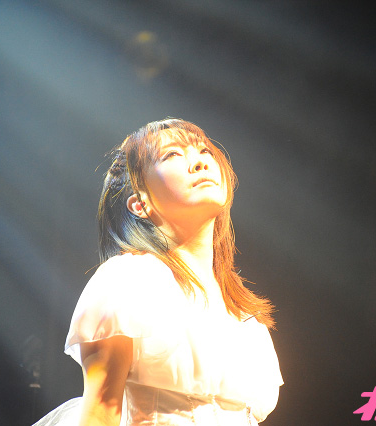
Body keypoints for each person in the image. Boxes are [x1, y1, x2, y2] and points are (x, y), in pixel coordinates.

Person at [34, 119, 282, 426]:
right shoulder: (129, 280)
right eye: (172, 154)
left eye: (204, 150)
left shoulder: (242, 312)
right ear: (140, 204)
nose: (200, 162)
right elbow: (99, 415)